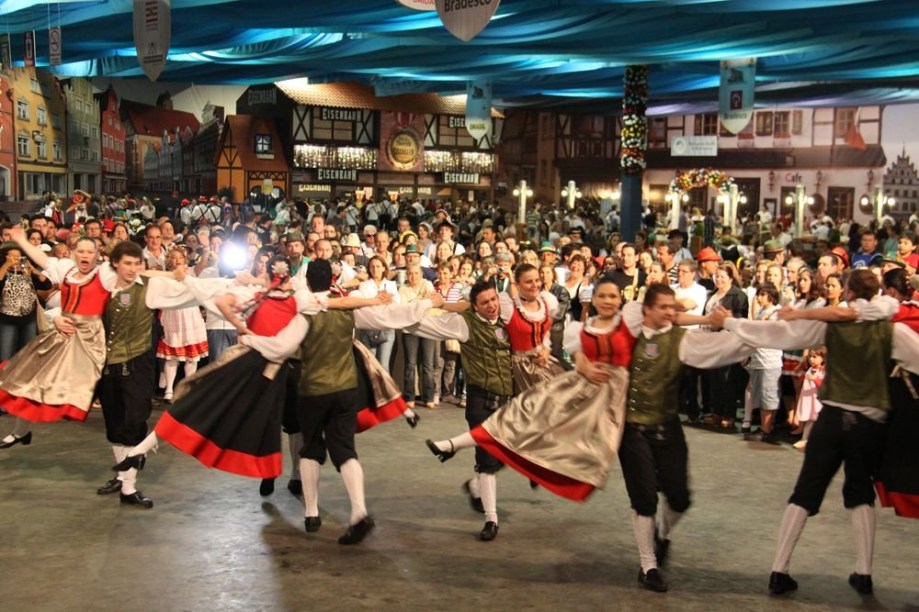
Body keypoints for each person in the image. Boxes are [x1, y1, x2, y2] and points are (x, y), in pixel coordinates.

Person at [710, 269, 919, 597]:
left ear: (849, 294)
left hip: (831, 418)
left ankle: (779, 569)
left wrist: (731, 323)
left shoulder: (829, 325)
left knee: (805, 491)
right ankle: (863, 573)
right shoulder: (892, 331)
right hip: (868, 423)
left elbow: (777, 334)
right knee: (859, 491)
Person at [156, 249, 208, 402]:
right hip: (171, 315)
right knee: (172, 355)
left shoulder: (190, 272)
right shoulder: (164, 277)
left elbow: (201, 266)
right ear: (168, 260)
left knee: (192, 356)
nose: (177, 260)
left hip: (190, 315)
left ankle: (188, 387)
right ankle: (169, 389)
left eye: (180, 257)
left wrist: (205, 253)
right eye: (173, 257)